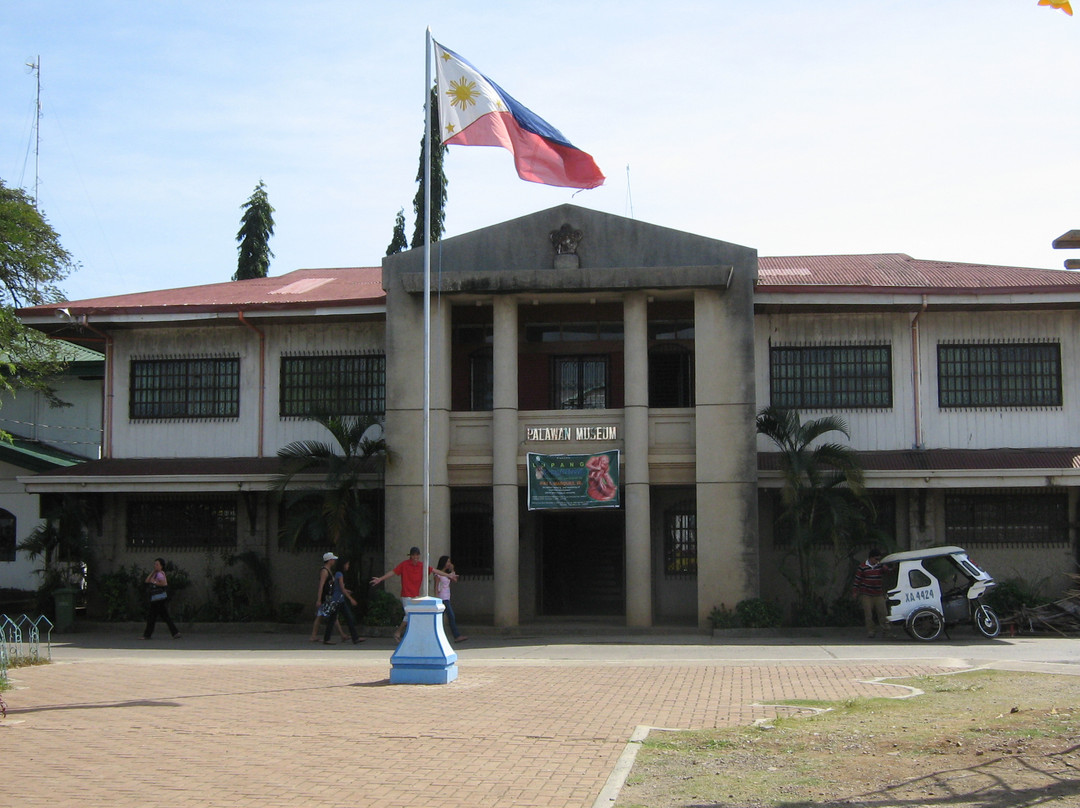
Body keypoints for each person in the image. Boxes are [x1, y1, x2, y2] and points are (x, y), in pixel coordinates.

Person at [370, 546, 457, 643]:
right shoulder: (404, 564)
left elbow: (434, 570)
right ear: (410, 556)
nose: (415, 557)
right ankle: (398, 633)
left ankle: (407, 636)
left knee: (413, 616)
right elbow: (393, 572)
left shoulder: (421, 565)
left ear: (419, 556)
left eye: (417, 555)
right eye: (413, 555)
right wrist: (380, 579)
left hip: (415, 595)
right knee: (409, 615)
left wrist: (448, 575)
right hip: (406, 594)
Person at [323, 558, 365, 645]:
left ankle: (355, 638)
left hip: (340, 599)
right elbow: (342, 588)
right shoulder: (340, 574)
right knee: (333, 619)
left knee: (348, 618)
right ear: (343, 565)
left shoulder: (338, 574)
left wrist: (346, 591)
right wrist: (351, 599)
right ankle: (327, 639)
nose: (348, 566)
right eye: (347, 564)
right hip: (337, 600)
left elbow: (339, 587)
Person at [852, 548, 892, 639]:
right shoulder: (863, 567)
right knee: (868, 614)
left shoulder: (880, 566)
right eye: (876, 559)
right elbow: (857, 580)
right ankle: (871, 631)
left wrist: (886, 569)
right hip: (866, 594)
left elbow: (889, 573)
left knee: (883, 613)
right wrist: (855, 591)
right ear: (870, 558)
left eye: (879, 559)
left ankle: (886, 631)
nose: (877, 561)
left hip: (878, 593)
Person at [311, 552, 348, 643]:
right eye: (333, 559)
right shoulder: (324, 571)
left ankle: (342, 634)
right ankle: (314, 636)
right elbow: (321, 585)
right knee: (326, 615)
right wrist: (319, 599)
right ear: (329, 560)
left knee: (329, 615)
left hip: (328, 596)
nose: (334, 561)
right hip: (325, 597)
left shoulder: (329, 570)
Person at [140, 557, 180, 640]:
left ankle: (147, 634)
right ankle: (175, 632)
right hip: (157, 598)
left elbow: (163, 583)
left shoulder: (160, 574)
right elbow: (147, 581)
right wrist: (153, 572)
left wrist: (154, 582)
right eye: (155, 564)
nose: (155, 566)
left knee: (152, 616)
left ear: (161, 566)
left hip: (158, 598)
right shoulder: (156, 573)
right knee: (163, 616)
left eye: (157, 564)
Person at [434, 555, 467, 643]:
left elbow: (454, 580)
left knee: (443, 617)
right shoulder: (438, 574)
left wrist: (452, 570)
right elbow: (436, 586)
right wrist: (437, 598)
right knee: (451, 616)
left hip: (447, 597)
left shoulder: (446, 574)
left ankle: (440, 635)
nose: (449, 563)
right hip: (442, 598)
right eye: (448, 561)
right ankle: (456, 635)